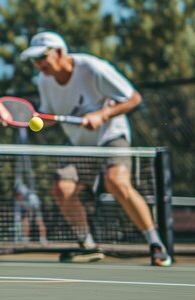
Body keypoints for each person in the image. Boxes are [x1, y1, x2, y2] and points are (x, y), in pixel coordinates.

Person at [17, 31, 171, 266]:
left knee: (116, 181)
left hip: (111, 135)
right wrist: (24, 120)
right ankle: (88, 245)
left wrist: (102, 113)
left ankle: (156, 243)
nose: (38, 64)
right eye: (34, 59)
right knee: (61, 188)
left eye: (42, 57)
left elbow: (134, 98)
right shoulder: (44, 81)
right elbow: (47, 117)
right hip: (80, 145)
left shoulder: (93, 68)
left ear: (60, 52)